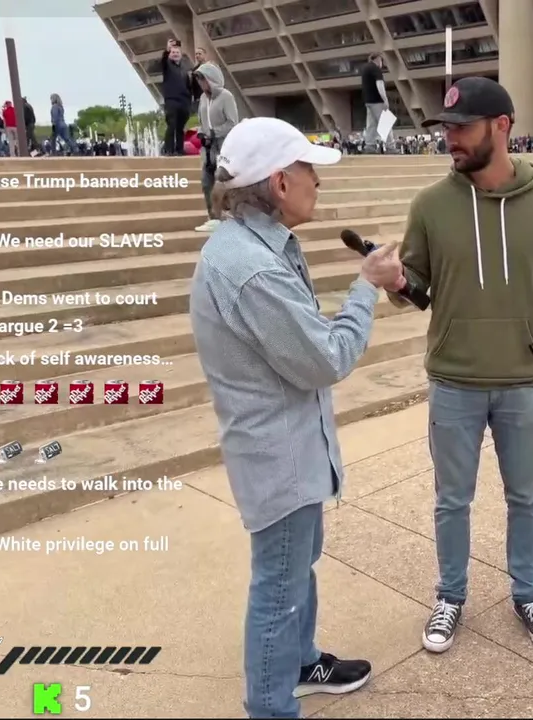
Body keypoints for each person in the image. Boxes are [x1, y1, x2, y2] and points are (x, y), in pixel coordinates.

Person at [188, 117, 407, 718]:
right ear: (281, 182)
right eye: (309, 169)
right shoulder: (252, 268)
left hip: (288, 448)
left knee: (294, 569)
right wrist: (366, 287)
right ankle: (270, 705)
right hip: (278, 457)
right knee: (279, 586)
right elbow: (327, 358)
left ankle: (300, 661)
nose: (318, 181)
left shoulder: (256, 246)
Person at [400, 77, 533, 654]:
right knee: (451, 500)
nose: (450, 138)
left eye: (462, 128)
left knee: (526, 498)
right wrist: (395, 281)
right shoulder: (430, 206)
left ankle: (528, 595)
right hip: (452, 380)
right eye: (446, 128)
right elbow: (417, 290)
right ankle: (450, 596)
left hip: (522, 383)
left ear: (501, 126)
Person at [193, 63, 240, 234]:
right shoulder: (203, 99)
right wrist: (201, 132)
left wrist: (214, 132)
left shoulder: (226, 97)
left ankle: (225, 217)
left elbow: (232, 123)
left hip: (223, 147)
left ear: (211, 79)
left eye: (202, 79)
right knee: (206, 182)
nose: (200, 83)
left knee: (221, 182)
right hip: (208, 149)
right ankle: (212, 217)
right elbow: (202, 121)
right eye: (198, 79)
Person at [160, 38, 194, 156]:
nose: (175, 54)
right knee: (172, 124)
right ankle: (168, 150)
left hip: (184, 101)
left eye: (177, 52)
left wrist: (190, 99)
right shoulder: (167, 66)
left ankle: (179, 149)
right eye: (173, 52)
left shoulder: (184, 69)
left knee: (180, 127)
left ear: (181, 54)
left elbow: (189, 85)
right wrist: (167, 49)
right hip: (172, 100)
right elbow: (163, 60)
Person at [359, 52, 388, 153]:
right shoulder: (376, 69)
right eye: (382, 60)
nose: (382, 63)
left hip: (368, 100)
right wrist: (385, 99)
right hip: (377, 101)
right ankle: (391, 146)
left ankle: (369, 146)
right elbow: (379, 84)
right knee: (385, 123)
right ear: (378, 59)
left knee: (371, 125)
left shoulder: (365, 68)